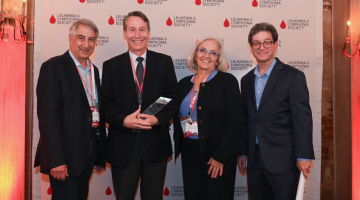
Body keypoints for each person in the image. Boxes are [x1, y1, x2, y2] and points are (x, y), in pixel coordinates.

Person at [101, 11, 179, 200]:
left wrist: (154, 118)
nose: (137, 35)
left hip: (155, 145)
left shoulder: (164, 62)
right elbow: (106, 103)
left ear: (149, 33)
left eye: (142, 29)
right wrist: (124, 120)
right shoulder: (111, 65)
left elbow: (170, 97)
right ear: (125, 34)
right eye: (132, 30)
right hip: (123, 146)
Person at [238, 22, 315, 200]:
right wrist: (243, 152)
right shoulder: (246, 80)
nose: (261, 47)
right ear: (251, 47)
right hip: (255, 159)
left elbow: (302, 119)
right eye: (256, 43)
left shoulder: (293, 76)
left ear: (275, 45)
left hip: (284, 160)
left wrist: (303, 155)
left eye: (266, 42)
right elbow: (247, 119)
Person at [34, 19, 106, 200]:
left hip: (87, 155)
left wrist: (98, 155)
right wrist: (56, 161)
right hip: (64, 158)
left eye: (91, 40)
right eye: (81, 38)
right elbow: (48, 118)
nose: (86, 44)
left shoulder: (94, 71)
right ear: (71, 38)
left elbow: (94, 114)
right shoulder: (53, 67)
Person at [173, 37, 242, 200]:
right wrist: (143, 115)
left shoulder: (227, 82)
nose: (207, 55)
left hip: (217, 154)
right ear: (196, 54)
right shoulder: (183, 84)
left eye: (213, 53)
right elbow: (165, 104)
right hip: (190, 153)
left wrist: (220, 157)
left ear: (218, 59)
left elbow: (235, 122)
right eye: (203, 50)